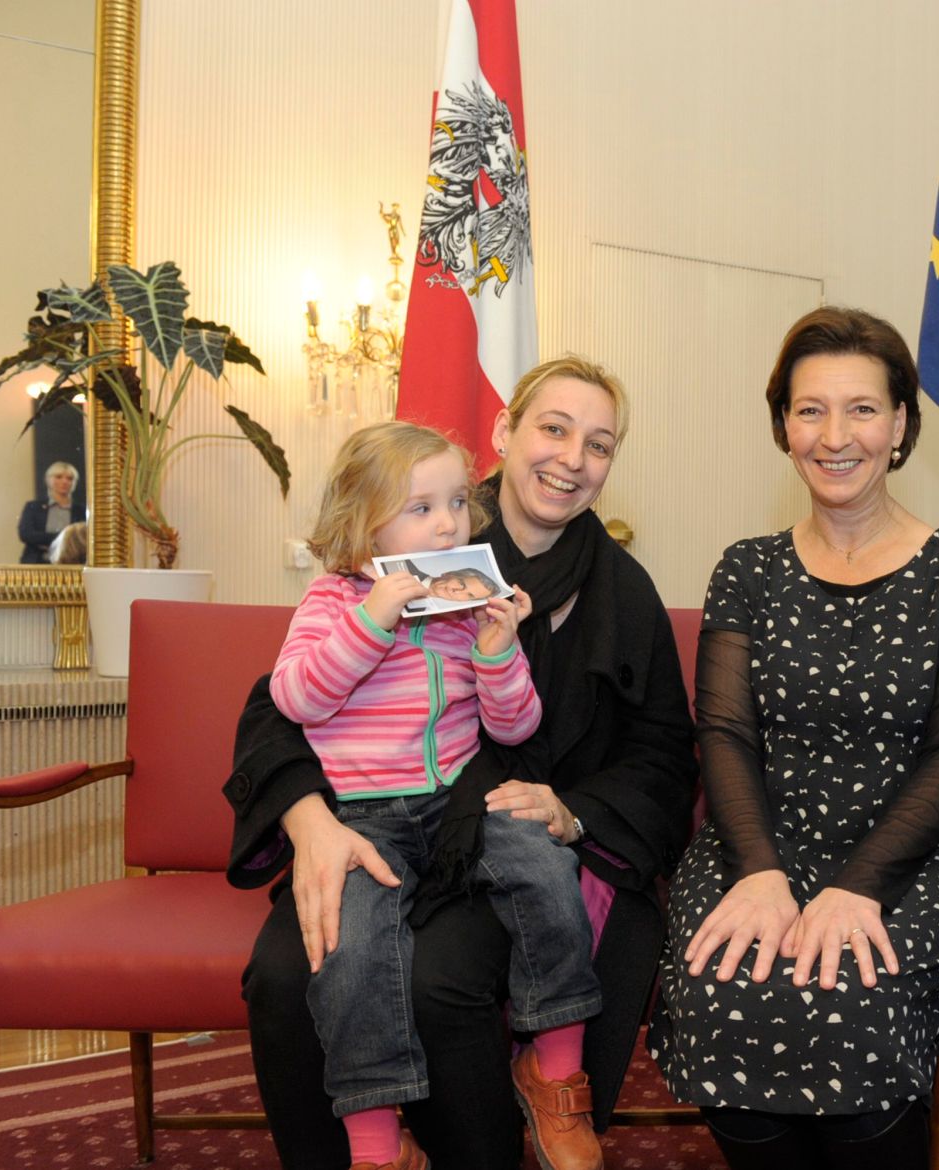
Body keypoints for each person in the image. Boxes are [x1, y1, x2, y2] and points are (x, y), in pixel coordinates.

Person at [226, 357, 697, 1170]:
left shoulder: (624, 591)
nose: (571, 459)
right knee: (285, 970)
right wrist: (310, 821)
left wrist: (570, 812)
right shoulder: (415, 549)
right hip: (369, 819)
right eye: (552, 429)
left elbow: (661, 753)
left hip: (509, 836)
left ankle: (524, 1113)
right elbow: (283, 703)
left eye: (599, 444)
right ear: (506, 433)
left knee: (441, 978)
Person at [648, 307, 939, 1170]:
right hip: (760, 841)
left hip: (914, 852)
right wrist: (762, 871)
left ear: (900, 427)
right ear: (782, 425)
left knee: (849, 998)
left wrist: (860, 885)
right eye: (810, 410)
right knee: (720, 987)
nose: (834, 435)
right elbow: (726, 731)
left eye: (861, 409)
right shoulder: (747, 567)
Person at [269, 420, 604, 1170]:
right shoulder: (331, 603)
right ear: (363, 520)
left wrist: (495, 649)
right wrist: (371, 621)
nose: (449, 521)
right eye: (421, 507)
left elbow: (515, 727)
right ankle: (379, 1143)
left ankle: (554, 1069)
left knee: (551, 870)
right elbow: (296, 699)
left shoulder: (460, 613)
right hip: (364, 822)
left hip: (455, 811)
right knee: (348, 953)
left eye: (456, 502)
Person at [18, 460, 84, 564]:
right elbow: (26, 534)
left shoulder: (81, 510)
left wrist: (44, 539)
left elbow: (81, 540)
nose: (65, 482)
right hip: (35, 564)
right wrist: (63, 539)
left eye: (70, 478)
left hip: (70, 564)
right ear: (48, 480)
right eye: (58, 477)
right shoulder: (33, 507)